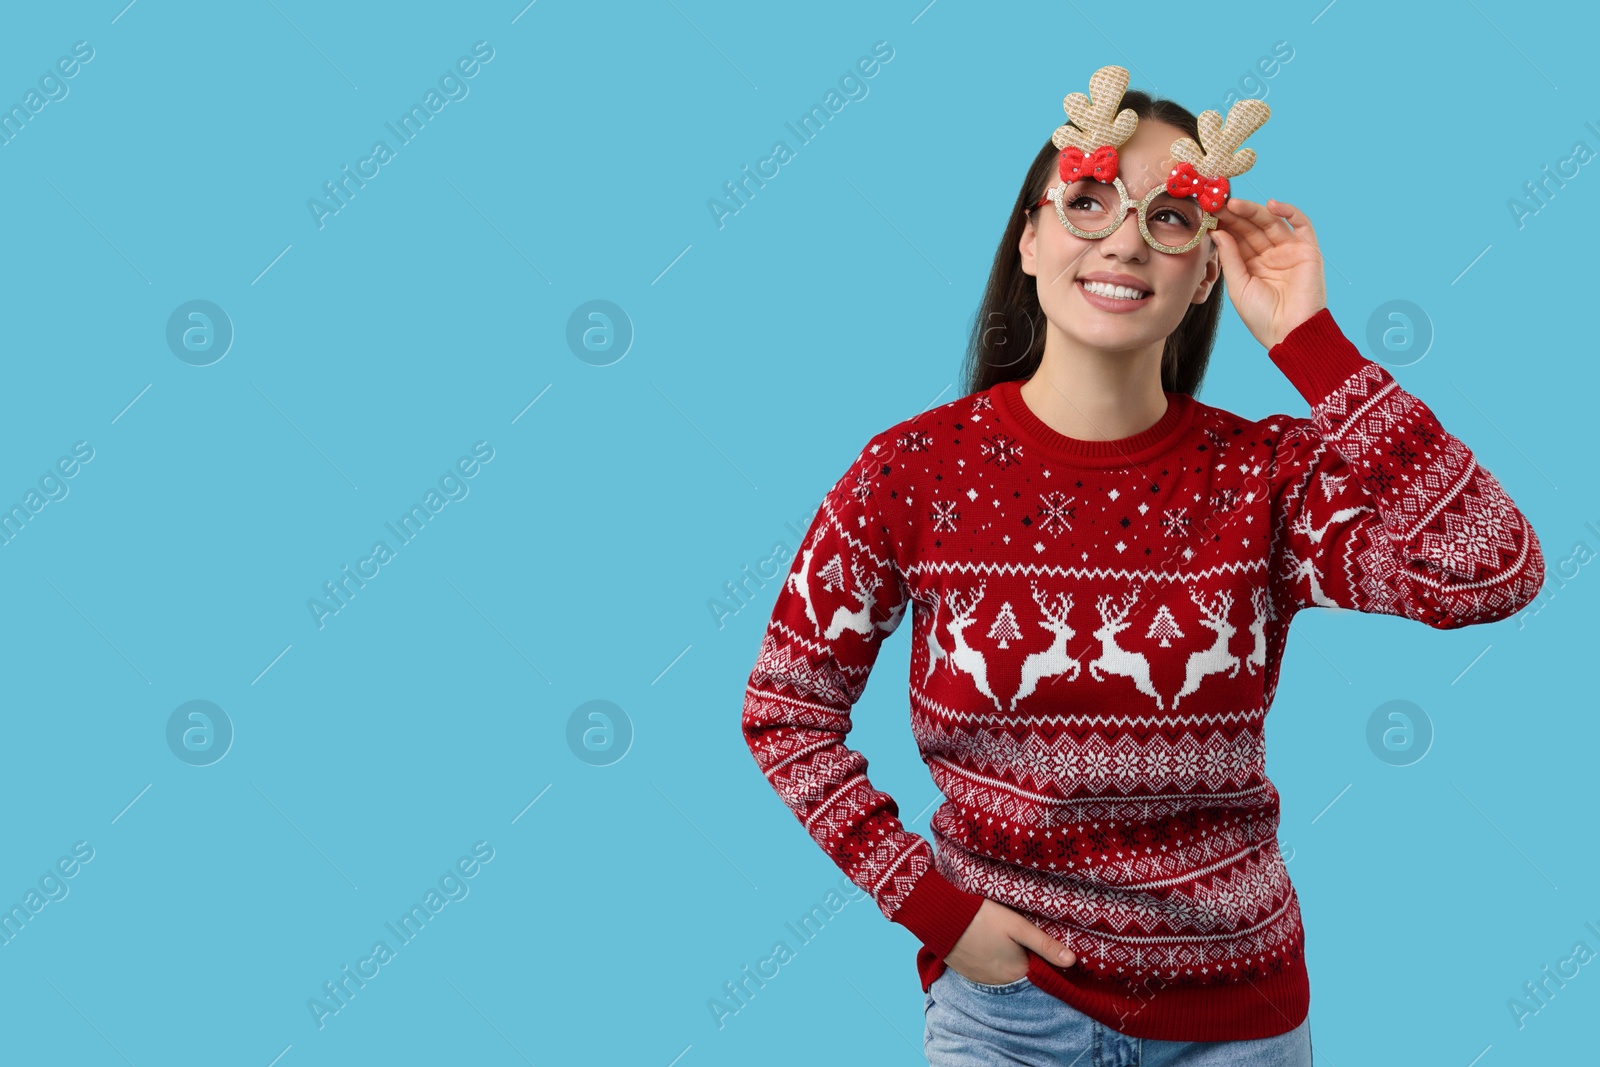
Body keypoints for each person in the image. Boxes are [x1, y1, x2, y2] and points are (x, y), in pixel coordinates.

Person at [740, 66, 1544, 1066]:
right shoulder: (910, 471)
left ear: (1205, 271)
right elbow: (785, 705)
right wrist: (931, 905)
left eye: (1169, 216)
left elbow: (1490, 569)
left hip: (1233, 1018)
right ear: (1028, 238)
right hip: (1004, 1014)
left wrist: (1311, 344)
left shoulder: (1268, 480)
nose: (1123, 239)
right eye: (1086, 202)